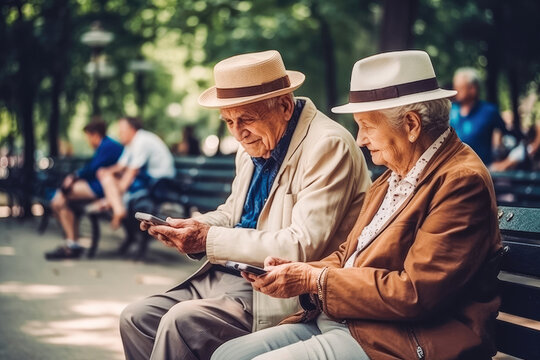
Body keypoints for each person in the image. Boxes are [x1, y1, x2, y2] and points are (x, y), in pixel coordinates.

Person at [213, 50, 503, 360]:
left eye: (367, 126)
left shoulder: (460, 182)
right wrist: (300, 272)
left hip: (401, 338)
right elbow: (350, 254)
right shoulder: (394, 174)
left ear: (411, 125)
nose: (361, 139)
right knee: (227, 354)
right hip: (351, 321)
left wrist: (315, 279)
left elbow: (415, 292)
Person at [119, 50, 372, 360]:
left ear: (284, 105)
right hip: (225, 275)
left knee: (179, 323)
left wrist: (208, 239)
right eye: (228, 122)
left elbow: (301, 244)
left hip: (277, 291)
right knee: (137, 317)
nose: (237, 133)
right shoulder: (253, 145)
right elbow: (234, 214)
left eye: (246, 120)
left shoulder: (327, 145)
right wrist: (192, 229)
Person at [45, 119, 123, 260]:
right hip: (101, 185)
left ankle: (72, 244)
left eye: (87, 136)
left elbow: (92, 169)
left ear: (94, 135)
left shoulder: (108, 145)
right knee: (66, 205)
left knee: (63, 197)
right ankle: (72, 243)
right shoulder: (105, 145)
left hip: (106, 188)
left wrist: (74, 176)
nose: (87, 140)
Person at [94, 116, 175, 229]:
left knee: (115, 184)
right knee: (107, 176)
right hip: (148, 178)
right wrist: (106, 171)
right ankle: (118, 208)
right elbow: (121, 166)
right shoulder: (131, 143)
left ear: (132, 129)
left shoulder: (141, 141)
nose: (119, 133)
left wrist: (117, 193)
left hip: (160, 182)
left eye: (122, 130)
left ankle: (114, 206)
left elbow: (132, 171)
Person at [450, 67, 506, 165]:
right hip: (453, 168)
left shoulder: (489, 111)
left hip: (481, 169)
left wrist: (499, 157)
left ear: (473, 89)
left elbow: (502, 136)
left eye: (460, 88)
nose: (456, 90)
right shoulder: (450, 110)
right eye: (455, 87)